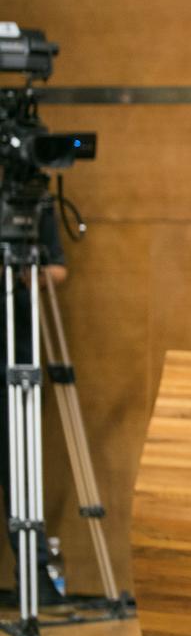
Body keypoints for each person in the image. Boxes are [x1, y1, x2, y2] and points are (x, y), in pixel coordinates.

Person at [0, 203, 68, 606]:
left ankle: (35, 575)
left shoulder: (33, 203)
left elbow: (58, 267)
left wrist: (24, 275)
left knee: (18, 466)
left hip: (17, 348)